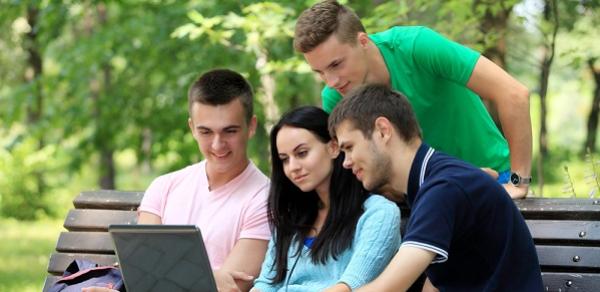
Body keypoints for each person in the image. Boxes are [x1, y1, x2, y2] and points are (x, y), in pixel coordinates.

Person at [294, 0, 532, 199]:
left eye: (336, 64)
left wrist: (518, 182)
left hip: (494, 179)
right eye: (320, 72)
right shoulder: (335, 99)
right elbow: (362, 172)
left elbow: (514, 94)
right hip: (422, 194)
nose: (331, 81)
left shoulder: (417, 46)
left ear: (363, 41)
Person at [328, 84, 543, 291]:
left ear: (383, 131)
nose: (345, 162)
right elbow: (437, 284)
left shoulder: (443, 188)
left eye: (349, 147)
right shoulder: (430, 182)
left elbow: (388, 288)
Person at [83, 69, 271, 292]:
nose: (218, 144)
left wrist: (167, 273)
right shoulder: (164, 187)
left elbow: (230, 288)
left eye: (229, 131)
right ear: (192, 128)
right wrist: (209, 276)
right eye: (206, 132)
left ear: (251, 126)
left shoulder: (265, 199)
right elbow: (142, 275)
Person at [251, 106, 400, 291]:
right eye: (284, 159)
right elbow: (266, 284)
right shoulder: (290, 217)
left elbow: (350, 286)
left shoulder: (378, 213)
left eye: (302, 153)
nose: (293, 167)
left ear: (333, 147)